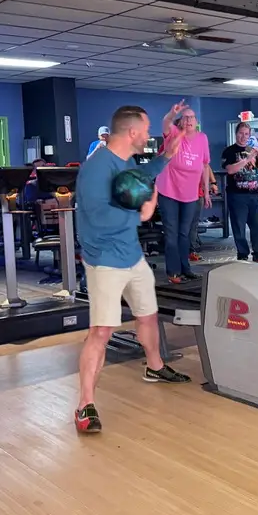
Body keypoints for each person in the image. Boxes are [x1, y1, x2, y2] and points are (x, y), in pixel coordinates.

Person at [74, 105, 192, 434]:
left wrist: (166, 156)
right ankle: (85, 405)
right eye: (147, 129)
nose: (149, 135)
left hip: (131, 254)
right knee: (101, 331)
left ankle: (154, 366)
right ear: (132, 133)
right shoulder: (97, 167)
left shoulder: (122, 160)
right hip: (105, 260)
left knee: (147, 314)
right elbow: (97, 216)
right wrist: (141, 214)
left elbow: (138, 179)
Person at [156, 101, 211, 284]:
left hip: (190, 193)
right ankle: (173, 272)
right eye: (185, 117)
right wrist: (172, 113)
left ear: (196, 121)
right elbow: (165, 123)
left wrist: (207, 190)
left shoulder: (202, 138)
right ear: (181, 121)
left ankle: (185, 268)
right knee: (171, 233)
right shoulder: (173, 134)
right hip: (169, 190)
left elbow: (204, 165)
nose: (188, 120)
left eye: (192, 117)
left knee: (185, 233)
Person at [222, 121, 258, 264]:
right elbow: (230, 169)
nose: (243, 137)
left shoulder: (252, 150)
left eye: (246, 134)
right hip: (236, 194)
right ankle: (242, 254)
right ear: (236, 134)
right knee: (239, 226)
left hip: (253, 193)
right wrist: (247, 160)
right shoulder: (229, 151)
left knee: (257, 225)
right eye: (241, 133)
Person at [189, 163, 218, 263]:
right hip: (181, 194)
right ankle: (183, 251)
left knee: (193, 224)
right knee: (184, 225)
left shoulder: (198, 151)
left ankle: (191, 251)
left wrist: (213, 183)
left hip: (197, 193)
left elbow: (206, 165)